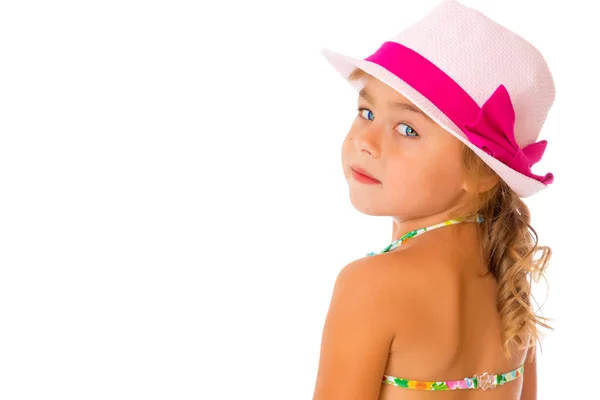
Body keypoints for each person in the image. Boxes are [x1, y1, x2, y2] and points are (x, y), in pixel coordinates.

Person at [312, 1, 554, 399]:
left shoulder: (371, 285)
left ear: (482, 172)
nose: (365, 142)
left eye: (407, 129)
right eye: (366, 112)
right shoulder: (509, 282)